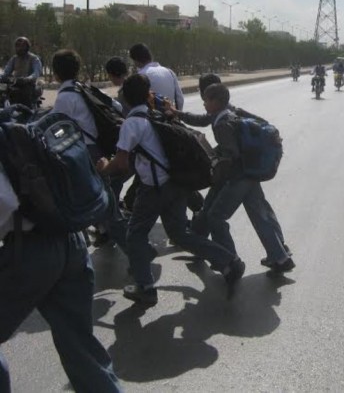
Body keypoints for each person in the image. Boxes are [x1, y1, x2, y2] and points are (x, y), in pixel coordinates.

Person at [96, 74, 245, 305]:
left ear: (124, 98)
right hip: (176, 183)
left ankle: (145, 287)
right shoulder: (155, 115)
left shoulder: (131, 124)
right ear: (148, 95)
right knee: (179, 234)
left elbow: (122, 163)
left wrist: (104, 167)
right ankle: (229, 261)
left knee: (135, 234)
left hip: (154, 188)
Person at [0, 160, 123, 393]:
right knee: (80, 344)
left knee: (78, 342)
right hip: (70, 238)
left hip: (30, 247)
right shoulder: (20, 130)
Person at [190, 83, 294, 273]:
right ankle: (280, 257)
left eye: (206, 100)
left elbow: (232, 154)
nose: (204, 104)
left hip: (239, 177)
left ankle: (229, 260)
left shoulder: (222, 123)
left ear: (216, 101)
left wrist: (215, 162)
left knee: (216, 216)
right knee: (259, 214)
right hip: (251, 172)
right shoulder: (231, 114)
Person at [51, 49, 128, 251]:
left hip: (82, 153)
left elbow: (56, 130)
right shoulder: (86, 88)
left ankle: (132, 246)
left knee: (96, 200)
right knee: (103, 196)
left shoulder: (64, 98)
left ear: (56, 73)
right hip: (98, 149)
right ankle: (106, 232)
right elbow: (117, 107)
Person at [128, 43, 184, 110]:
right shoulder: (169, 72)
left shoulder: (140, 76)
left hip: (150, 119)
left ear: (136, 60)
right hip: (170, 116)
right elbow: (180, 99)